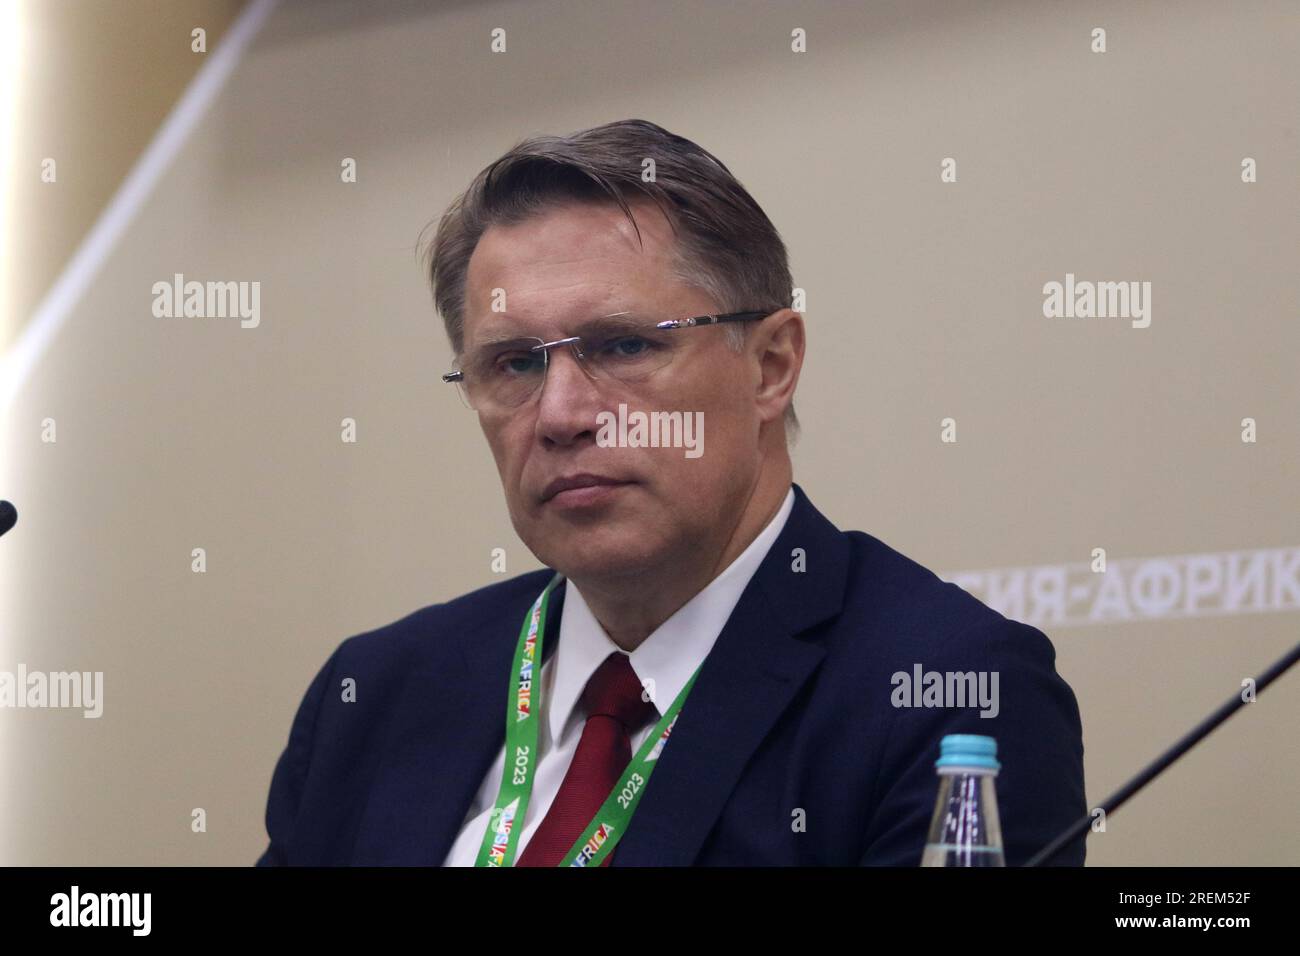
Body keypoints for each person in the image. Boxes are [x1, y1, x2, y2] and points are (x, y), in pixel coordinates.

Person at [256, 119, 1086, 866]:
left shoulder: (946, 692)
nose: (561, 415)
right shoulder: (376, 693)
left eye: (620, 346)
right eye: (514, 362)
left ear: (770, 366)